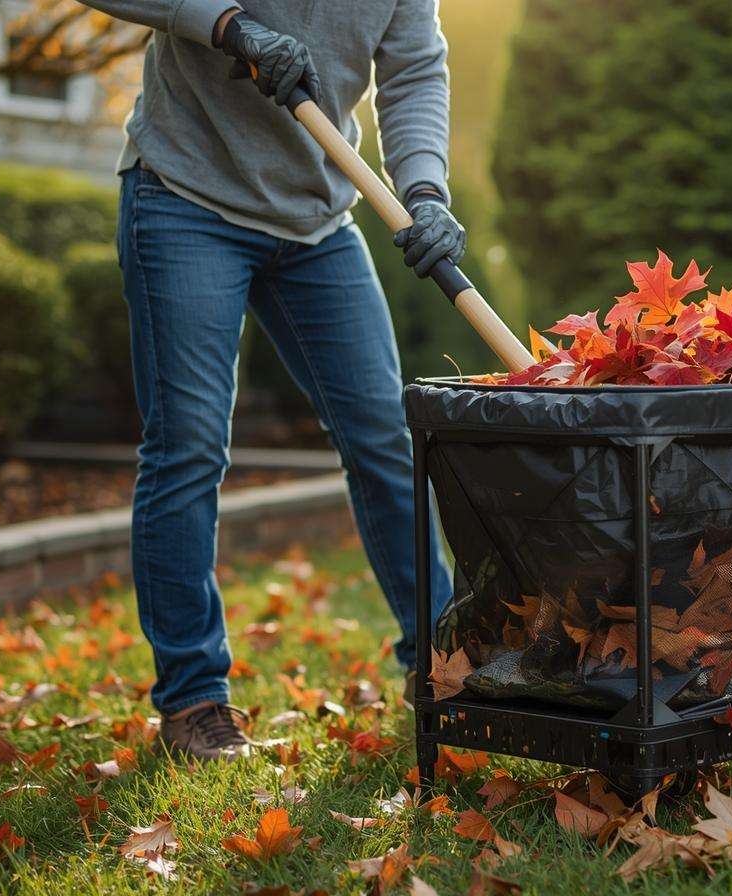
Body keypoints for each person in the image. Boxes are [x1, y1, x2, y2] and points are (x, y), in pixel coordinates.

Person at [74, 0, 457, 760]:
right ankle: (192, 700)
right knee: (188, 447)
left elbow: (414, 74)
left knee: (386, 436)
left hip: (318, 222)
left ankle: (446, 667)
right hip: (187, 193)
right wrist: (226, 25)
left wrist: (425, 192)